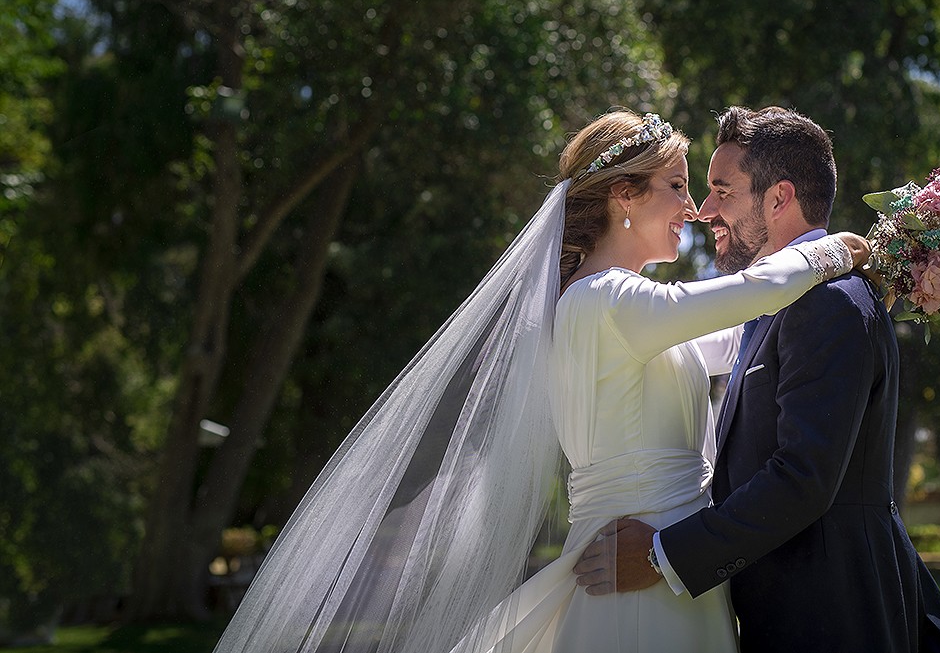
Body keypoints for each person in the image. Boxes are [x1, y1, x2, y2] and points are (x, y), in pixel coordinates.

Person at [210, 108, 866, 653]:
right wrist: (839, 249)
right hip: (638, 575)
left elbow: (741, 332)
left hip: (661, 566)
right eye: (675, 184)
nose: (692, 208)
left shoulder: (621, 305)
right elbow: (752, 294)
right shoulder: (604, 301)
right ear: (624, 194)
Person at [573, 105, 940, 653]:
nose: (704, 210)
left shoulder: (827, 302)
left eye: (721, 191)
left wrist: (665, 554)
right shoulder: (766, 311)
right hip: (776, 608)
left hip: (832, 614)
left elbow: (802, 476)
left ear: (778, 198)